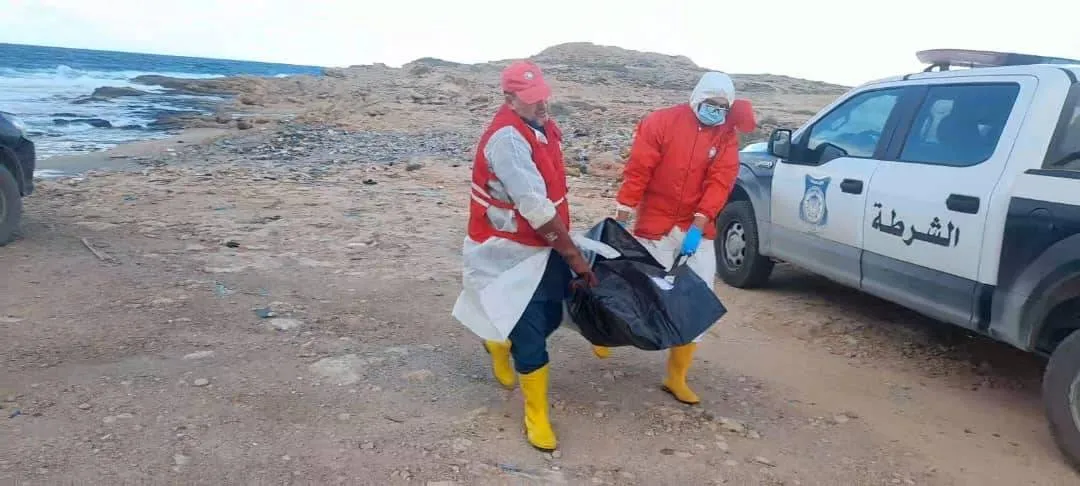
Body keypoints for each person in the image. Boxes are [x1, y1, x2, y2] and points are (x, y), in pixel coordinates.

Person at [451, 60, 598, 452]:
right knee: (530, 333)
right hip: (508, 251)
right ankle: (536, 415)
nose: (541, 104)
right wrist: (574, 256)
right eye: (532, 99)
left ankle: (499, 342)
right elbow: (534, 206)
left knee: (551, 313)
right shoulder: (507, 141)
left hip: (543, 245)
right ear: (509, 99)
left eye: (543, 96)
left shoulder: (541, 127)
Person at [595, 71, 756, 405]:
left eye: (722, 107)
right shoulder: (661, 123)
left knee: (697, 300)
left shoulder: (726, 135)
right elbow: (639, 171)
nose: (715, 111)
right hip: (655, 222)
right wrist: (621, 218)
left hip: (695, 226)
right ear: (696, 98)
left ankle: (676, 376)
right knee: (635, 288)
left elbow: (720, 182)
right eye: (710, 104)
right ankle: (603, 331)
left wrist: (698, 226)